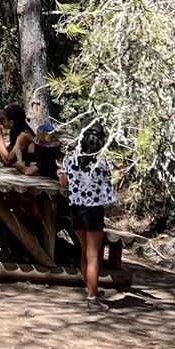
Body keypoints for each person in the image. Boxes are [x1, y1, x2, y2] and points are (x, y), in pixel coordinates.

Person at [60, 124, 119, 308]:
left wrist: (61, 169)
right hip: (94, 210)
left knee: (85, 253)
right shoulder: (103, 160)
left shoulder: (72, 157)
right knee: (93, 256)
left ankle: (90, 290)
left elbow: (64, 183)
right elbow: (117, 175)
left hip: (76, 209)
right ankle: (92, 298)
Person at [0, 104, 34, 170]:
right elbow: (4, 158)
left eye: (3, 118)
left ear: (11, 122)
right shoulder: (14, 132)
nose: (0, 121)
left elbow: (8, 161)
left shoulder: (25, 135)